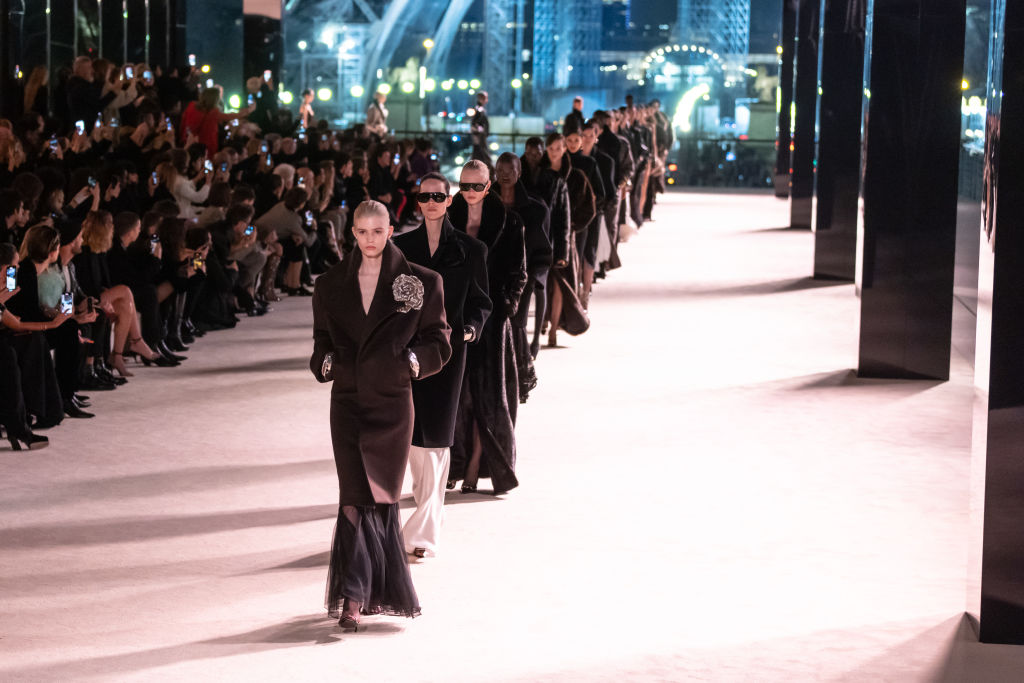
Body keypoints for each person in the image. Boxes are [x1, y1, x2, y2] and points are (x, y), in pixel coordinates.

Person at [310, 199, 452, 630]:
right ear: (352, 232)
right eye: (361, 231)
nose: (370, 239)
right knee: (353, 497)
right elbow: (320, 343)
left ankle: (367, 590)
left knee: (382, 499)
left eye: (378, 231)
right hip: (349, 402)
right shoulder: (331, 283)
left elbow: (439, 339)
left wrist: (410, 363)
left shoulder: (422, 281)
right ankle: (353, 598)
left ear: (391, 231)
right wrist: (328, 365)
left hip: (392, 403)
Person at [392, 172, 491, 556]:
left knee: (436, 438)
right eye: (425, 196)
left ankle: (422, 533)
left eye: (439, 195)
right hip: (409, 352)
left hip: (450, 353)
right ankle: (428, 512)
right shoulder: (400, 248)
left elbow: (482, 302)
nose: (432, 201)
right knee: (414, 438)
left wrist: (469, 329)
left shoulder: (472, 249)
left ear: (450, 200)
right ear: (418, 202)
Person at [447, 161, 526, 495]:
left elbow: (518, 274)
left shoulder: (510, 223)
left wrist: (506, 308)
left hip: (492, 320)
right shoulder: (448, 219)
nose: (471, 193)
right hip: (456, 317)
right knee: (457, 394)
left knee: (489, 394)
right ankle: (456, 461)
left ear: (489, 185)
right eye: (464, 186)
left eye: (477, 186)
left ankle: (479, 461)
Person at [493, 152, 551, 401]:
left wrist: (537, 275)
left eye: (510, 169)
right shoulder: (485, 203)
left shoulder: (536, 209)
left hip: (521, 276)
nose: (505, 174)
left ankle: (517, 381)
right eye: (500, 169)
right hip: (491, 274)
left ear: (519, 172)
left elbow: (544, 248)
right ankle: (496, 380)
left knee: (517, 324)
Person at [470, 91, 491, 167]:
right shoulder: (479, 110)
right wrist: (479, 130)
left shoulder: (480, 109)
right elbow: (474, 123)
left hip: (480, 135)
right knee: (482, 154)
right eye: (485, 98)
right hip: (479, 136)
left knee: (479, 153)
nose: (486, 100)